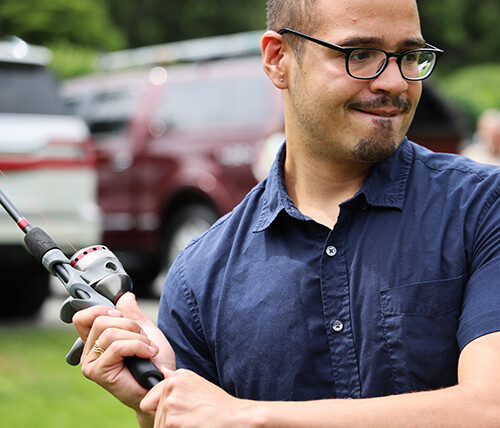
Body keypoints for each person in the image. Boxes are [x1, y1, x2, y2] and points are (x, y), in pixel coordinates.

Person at [73, 0, 500, 426]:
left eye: (408, 56)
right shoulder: (198, 276)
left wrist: (250, 416)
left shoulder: (482, 208)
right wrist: (152, 399)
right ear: (278, 59)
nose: (394, 81)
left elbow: (490, 407)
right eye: (360, 55)